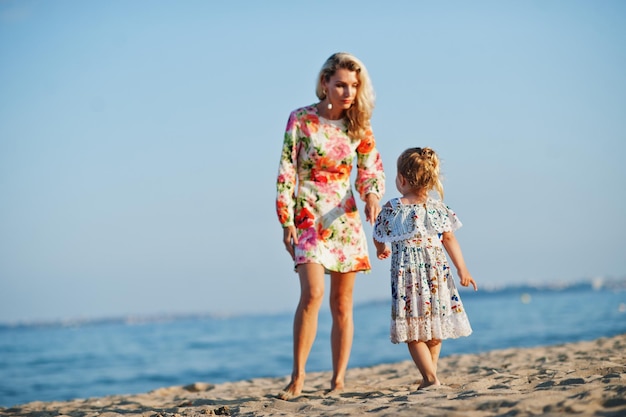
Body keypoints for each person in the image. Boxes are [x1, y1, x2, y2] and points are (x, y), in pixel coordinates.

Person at [275, 52, 385, 399]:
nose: (347, 92)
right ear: (325, 83)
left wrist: (371, 196)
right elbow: (287, 170)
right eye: (340, 84)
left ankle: (338, 380)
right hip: (307, 214)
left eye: (354, 86)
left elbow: (371, 169)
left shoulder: (359, 125)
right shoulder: (301, 119)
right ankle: (298, 377)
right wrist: (285, 218)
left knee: (342, 303)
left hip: (344, 217)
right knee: (312, 295)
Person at [372, 147, 477, 390]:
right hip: (436, 274)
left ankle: (430, 378)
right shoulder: (438, 208)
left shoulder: (392, 208)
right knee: (435, 328)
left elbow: (378, 232)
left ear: (402, 179)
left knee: (414, 331)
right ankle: (430, 376)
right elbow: (449, 240)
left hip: (408, 276)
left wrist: (380, 249)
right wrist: (463, 270)